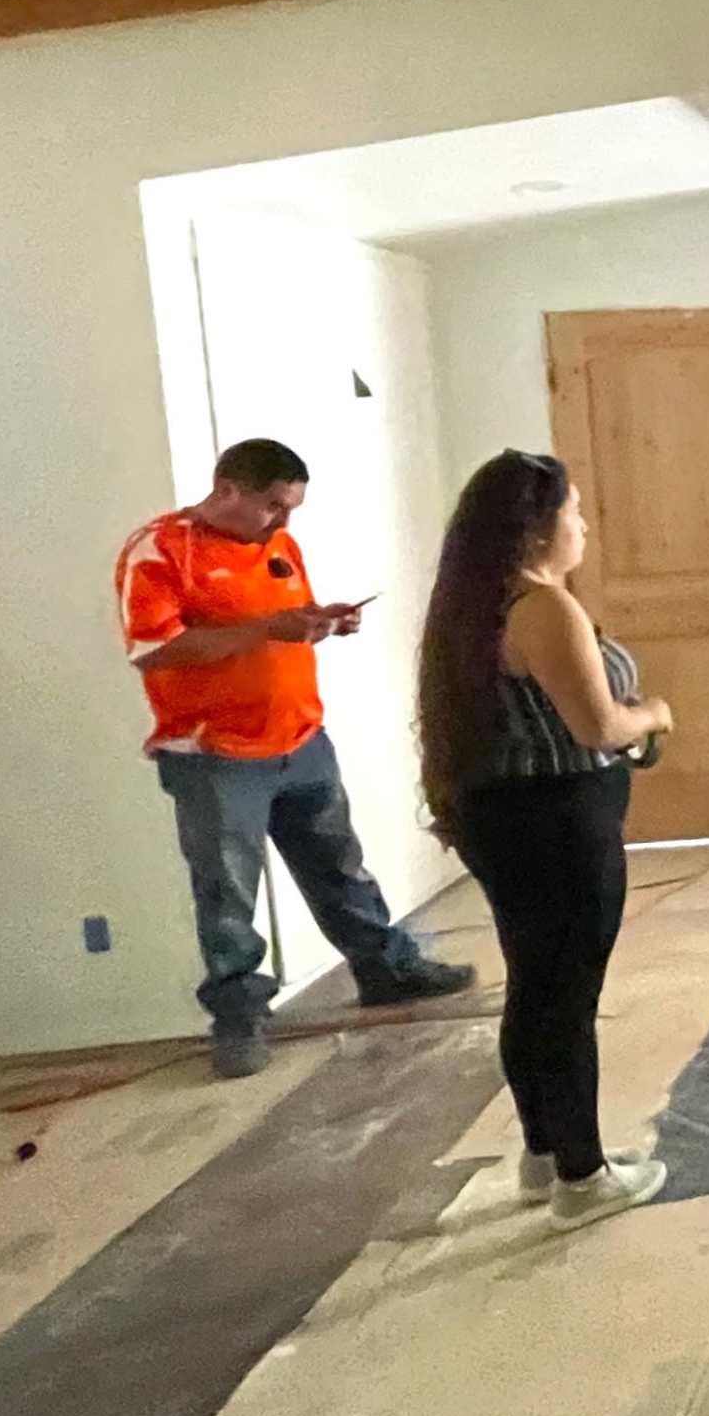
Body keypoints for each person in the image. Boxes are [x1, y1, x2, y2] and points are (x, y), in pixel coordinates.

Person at [115, 437, 474, 1080]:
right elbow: (153, 649)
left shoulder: (280, 545)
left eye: (292, 509)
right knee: (226, 890)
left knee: (338, 863)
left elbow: (279, 620)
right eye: (273, 507)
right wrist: (265, 631)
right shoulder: (162, 549)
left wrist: (321, 622)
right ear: (227, 490)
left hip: (300, 738)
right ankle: (239, 1015)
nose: (283, 522)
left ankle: (384, 968)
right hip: (214, 752)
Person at [415, 452, 675, 1226]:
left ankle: (545, 1153)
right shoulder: (542, 608)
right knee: (567, 997)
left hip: (503, 816)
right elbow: (597, 726)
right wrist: (655, 715)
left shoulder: (475, 605)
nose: (584, 524)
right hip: (559, 818)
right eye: (575, 511)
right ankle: (582, 1177)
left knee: (534, 986)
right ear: (539, 529)